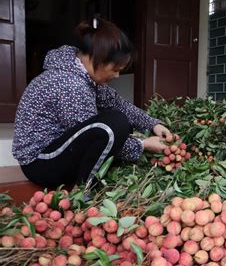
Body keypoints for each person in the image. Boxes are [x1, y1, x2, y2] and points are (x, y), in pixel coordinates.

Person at [12, 17, 172, 187]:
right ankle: (85, 189)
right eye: (115, 69)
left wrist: (154, 125)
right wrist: (143, 144)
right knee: (114, 124)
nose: (117, 76)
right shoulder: (70, 84)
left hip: (60, 151)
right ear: (97, 58)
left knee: (117, 119)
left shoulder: (85, 76)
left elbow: (119, 104)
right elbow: (96, 136)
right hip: (40, 163)